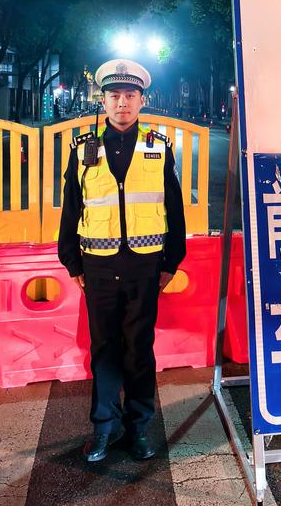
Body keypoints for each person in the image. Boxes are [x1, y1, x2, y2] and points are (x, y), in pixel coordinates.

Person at [58, 58, 186, 463]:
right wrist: (72, 262)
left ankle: (139, 427)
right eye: (114, 95)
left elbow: (174, 207)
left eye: (130, 95)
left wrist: (172, 262)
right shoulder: (82, 149)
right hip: (98, 264)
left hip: (144, 266)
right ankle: (104, 428)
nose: (122, 103)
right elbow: (72, 206)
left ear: (142, 100)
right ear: (104, 101)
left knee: (139, 348)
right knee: (104, 348)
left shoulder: (158, 147)